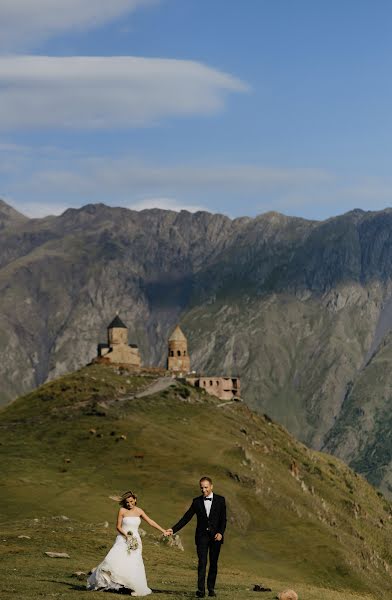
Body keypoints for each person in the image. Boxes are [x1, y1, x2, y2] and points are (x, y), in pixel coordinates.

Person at [87, 490, 171, 596]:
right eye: (127, 502)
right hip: (123, 538)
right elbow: (118, 527)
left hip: (135, 540)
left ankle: (130, 586)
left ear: (135, 500)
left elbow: (150, 522)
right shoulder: (122, 510)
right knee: (114, 559)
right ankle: (107, 583)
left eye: (131, 501)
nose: (129, 504)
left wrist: (163, 530)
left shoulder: (139, 511)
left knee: (133, 562)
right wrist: (127, 536)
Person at [168, 476, 227, 598]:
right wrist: (173, 529)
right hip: (201, 537)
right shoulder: (196, 502)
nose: (204, 490)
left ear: (211, 486)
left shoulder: (221, 500)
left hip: (216, 537)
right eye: (201, 487)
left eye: (206, 487)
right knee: (202, 562)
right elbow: (186, 517)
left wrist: (220, 533)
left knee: (213, 563)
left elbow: (223, 519)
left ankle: (211, 589)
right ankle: (201, 590)